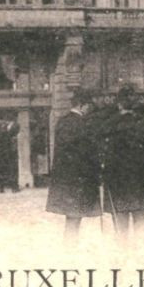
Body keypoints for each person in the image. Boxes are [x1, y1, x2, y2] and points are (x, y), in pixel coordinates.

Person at [46, 89, 102, 239]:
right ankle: (71, 250)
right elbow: (84, 153)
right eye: (89, 105)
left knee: (72, 218)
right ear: (82, 105)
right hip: (78, 180)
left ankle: (70, 247)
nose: (90, 109)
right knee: (75, 218)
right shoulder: (81, 124)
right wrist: (96, 168)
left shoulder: (62, 122)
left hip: (65, 180)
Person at [101, 86, 144, 238]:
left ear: (119, 104)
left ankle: (123, 248)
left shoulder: (110, 124)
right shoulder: (142, 124)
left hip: (118, 178)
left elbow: (107, 152)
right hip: (138, 177)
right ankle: (142, 247)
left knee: (120, 215)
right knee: (139, 214)